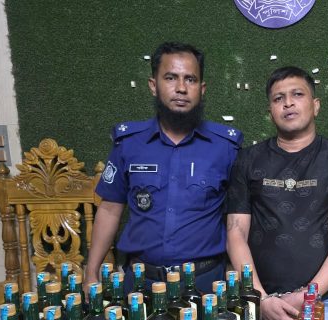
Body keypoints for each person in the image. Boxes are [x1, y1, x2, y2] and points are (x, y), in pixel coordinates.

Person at [226, 66, 328, 320]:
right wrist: (260, 299)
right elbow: (235, 234)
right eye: (278, 98)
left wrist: (307, 296)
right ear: (270, 111)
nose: (288, 103)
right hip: (261, 307)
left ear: (316, 105)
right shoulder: (248, 160)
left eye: (297, 95)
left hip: (323, 308)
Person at [86, 42, 242, 295]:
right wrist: (91, 272)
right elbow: (110, 209)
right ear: (153, 85)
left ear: (202, 89)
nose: (181, 88)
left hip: (206, 284)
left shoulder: (225, 147)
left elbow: (239, 219)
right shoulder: (129, 144)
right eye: (170, 78)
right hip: (140, 283)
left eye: (190, 79)